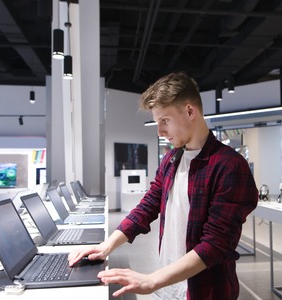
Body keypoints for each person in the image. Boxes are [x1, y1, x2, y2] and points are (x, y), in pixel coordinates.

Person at [68, 72, 258, 299]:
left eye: (165, 121)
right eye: (157, 122)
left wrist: (151, 280)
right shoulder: (171, 159)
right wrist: (107, 245)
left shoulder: (229, 165)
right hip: (170, 287)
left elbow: (216, 244)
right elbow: (149, 205)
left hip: (206, 291)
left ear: (190, 111)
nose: (159, 131)